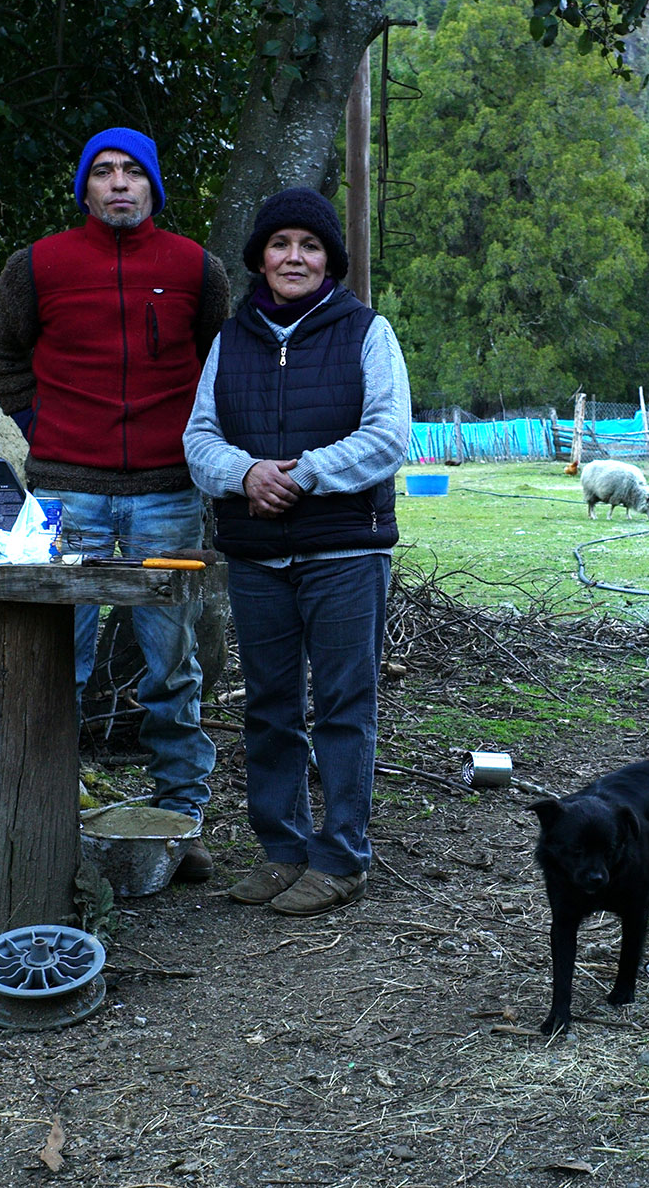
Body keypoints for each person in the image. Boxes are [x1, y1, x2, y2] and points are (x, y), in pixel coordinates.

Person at [0, 126, 229, 881]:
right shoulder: (39, 265)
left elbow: (222, 361)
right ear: (85, 188)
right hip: (64, 494)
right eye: (104, 172)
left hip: (167, 494)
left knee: (172, 666)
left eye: (133, 173)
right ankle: (40, 817)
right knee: (58, 661)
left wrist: (196, 439)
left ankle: (180, 820)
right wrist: (36, 426)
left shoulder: (196, 268)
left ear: (154, 187)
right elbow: (0, 350)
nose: (119, 184)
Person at [182, 187, 412, 917]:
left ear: (329, 260)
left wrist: (301, 474)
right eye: (281, 244)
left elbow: (388, 437)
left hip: (344, 551)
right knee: (271, 707)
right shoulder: (231, 338)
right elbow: (198, 440)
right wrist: (244, 474)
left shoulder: (366, 332)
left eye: (310, 246)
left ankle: (341, 857)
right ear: (259, 257)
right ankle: (282, 849)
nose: (294, 257)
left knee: (345, 704)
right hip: (257, 557)